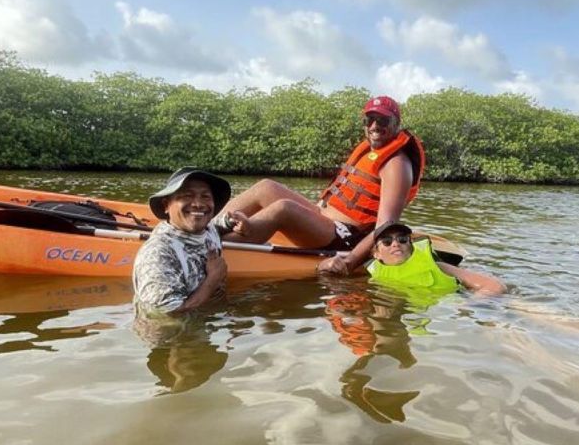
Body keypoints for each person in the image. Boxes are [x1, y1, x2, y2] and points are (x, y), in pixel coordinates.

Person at [217, 95, 425, 275]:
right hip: (325, 219)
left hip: (346, 236)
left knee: (284, 209)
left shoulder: (396, 165)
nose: (374, 126)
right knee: (266, 187)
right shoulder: (371, 150)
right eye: (369, 119)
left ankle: (213, 245)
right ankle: (214, 226)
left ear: (396, 123)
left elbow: (385, 225)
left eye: (382, 120)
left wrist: (349, 262)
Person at [132, 167, 232, 315]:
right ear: (166, 205)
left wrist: (230, 222)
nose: (198, 204)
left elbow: (213, 224)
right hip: (174, 334)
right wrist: (213, 279)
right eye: (187, 196)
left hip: (209, 321)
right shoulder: (157, 254)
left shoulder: (206, 227)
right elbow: (170, 315)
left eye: (205, 197)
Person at [366, 221, 507, 297]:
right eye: (387, 241)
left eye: (402, 239)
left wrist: (470, 307)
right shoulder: (374, 277)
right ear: (376, 254)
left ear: (411, 245)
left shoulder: (438, 266)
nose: (396, 244)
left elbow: (494, 286)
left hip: (465, 301)